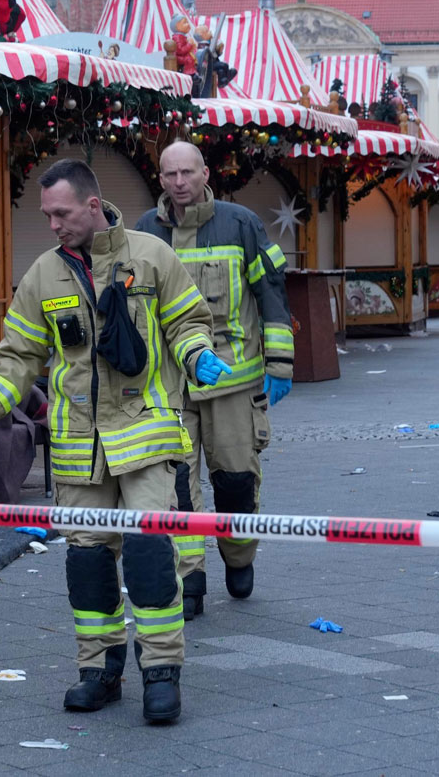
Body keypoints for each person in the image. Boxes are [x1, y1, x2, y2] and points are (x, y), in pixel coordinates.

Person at [0, 158, 230, 725]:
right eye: (46, 215)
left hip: (146, 436)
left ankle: (162, 674)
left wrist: (199, 356)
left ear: (93, 206)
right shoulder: (44, 276)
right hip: (79, 450)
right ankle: (100, 671)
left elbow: (187, 323)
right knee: (88, 564)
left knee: (148, 556)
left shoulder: (151, 257)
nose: (53, 225)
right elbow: (17, 360)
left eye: (61, 213)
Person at [134, 142, 294, 621]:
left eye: (187, 172)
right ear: (159, 178)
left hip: (234, 385)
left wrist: (280, 363)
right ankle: (190, 580)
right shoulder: (144, 232)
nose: (179, 182)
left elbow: (271, 292)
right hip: (171, 386)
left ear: (205, 173)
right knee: (177, 485)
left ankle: (239, 555)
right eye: (170, 174)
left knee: (236, 482)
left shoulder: (240, 223)